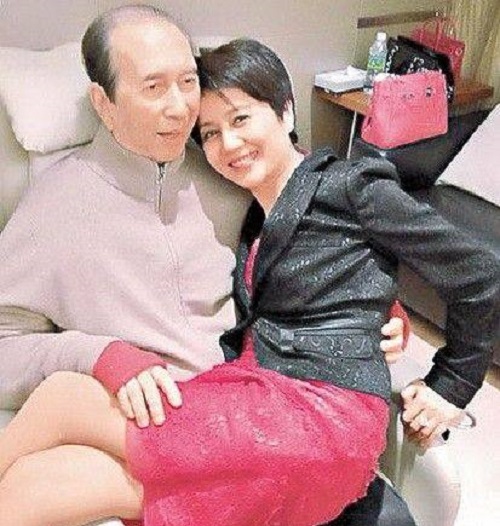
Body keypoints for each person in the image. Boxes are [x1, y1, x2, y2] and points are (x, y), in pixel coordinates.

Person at [0, 29, 499, 526]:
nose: (227, 143)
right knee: (60, 464)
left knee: (68, 408)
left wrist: (445, 377)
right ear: (104, 104)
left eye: (239, 119)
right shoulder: (245, 210)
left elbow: (478, 273)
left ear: (286, 112)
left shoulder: (340, 185)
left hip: (315, 416)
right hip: (251, 400)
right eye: (210, 133)